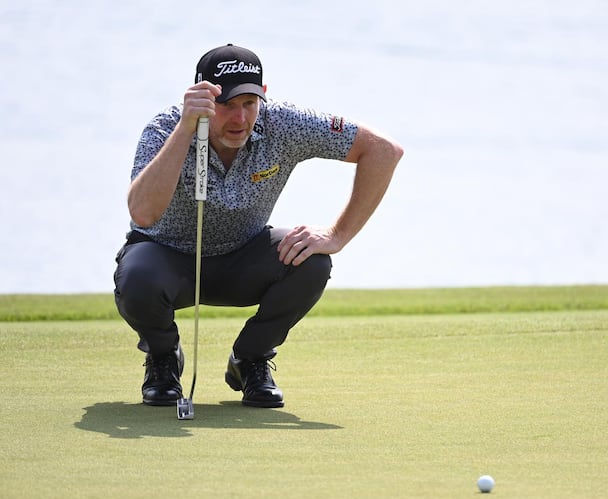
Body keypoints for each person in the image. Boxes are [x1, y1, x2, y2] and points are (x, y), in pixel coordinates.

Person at [113, 44, 403, 408]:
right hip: (167, 260)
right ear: (202, 98)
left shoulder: (284, 123)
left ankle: (250, 359)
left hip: (243, 258)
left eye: (249, 104)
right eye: (226, 106)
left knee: (311, 260)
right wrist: (187, 129)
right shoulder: (165, 128)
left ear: (263, 97)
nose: (239, 119)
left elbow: (384, 150)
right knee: (137, 276)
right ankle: (163, 358)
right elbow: (142, 214)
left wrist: (336, 236)